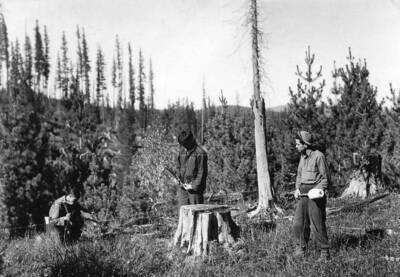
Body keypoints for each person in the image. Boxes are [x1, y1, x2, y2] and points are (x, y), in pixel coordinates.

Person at [293, 130, 330, 261]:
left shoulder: (319, 156)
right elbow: (299, 175)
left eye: (298, 144)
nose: (296, 146)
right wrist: (297, 189)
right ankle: (301, 248)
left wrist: (317, 190)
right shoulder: (302, 157)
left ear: (305, 144)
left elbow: (326, 179)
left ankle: (324, 253)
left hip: (315, 193)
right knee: (298, 222)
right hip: (303, 193)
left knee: (317, 224)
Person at [175, 129, 208, 209]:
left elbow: (202, 173)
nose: (183, 147)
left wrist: (192, 186)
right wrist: (177, 177)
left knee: (196, 214)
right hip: (183, 189)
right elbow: (179, 166)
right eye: (182, 145)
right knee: (183, 214)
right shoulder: (182, 151)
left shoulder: (201, 153)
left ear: (190, 142)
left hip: (195, 191)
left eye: (184, 145)